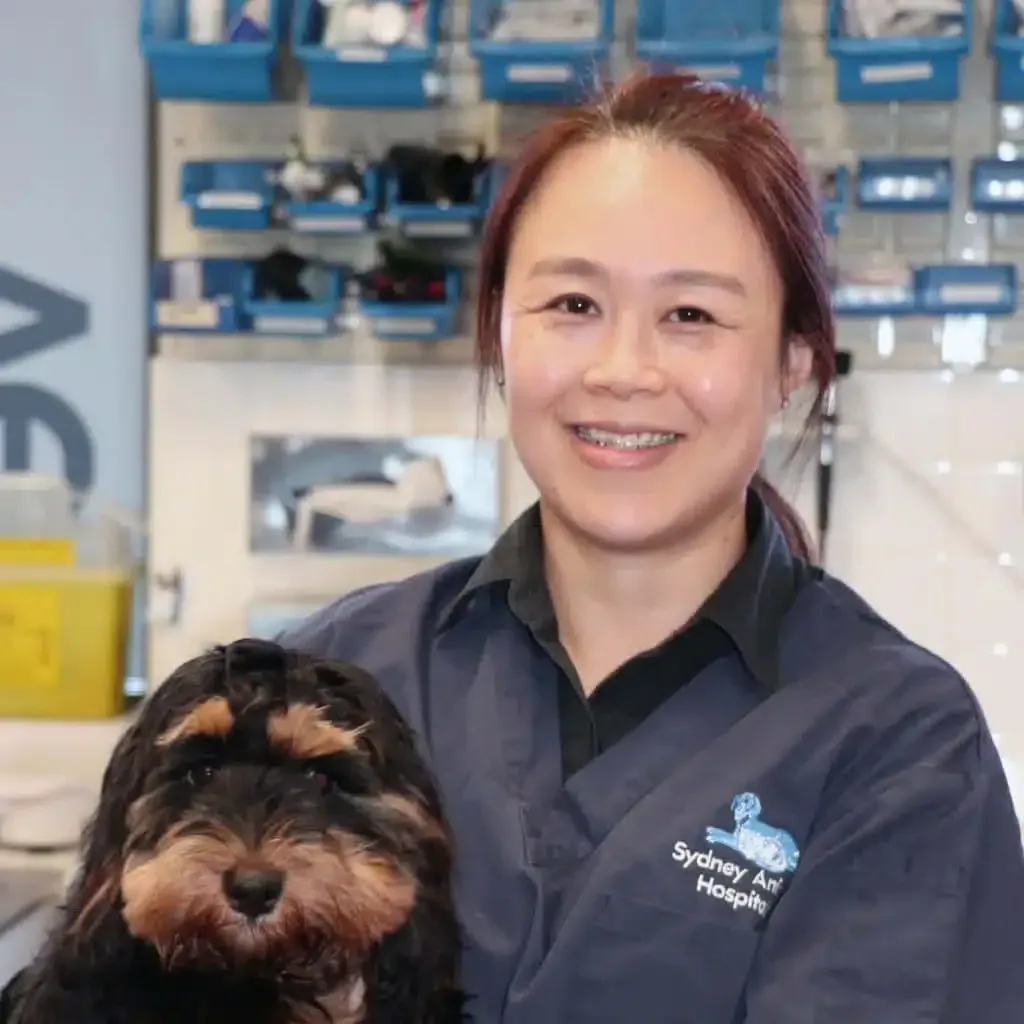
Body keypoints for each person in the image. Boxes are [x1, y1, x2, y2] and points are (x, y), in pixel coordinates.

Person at [281, 71, 1024, 1022]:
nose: (623, 371)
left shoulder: (898, 744)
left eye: (692, 317)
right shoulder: (332, 678)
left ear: (794, 359)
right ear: (504, 330)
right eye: (573, 306)